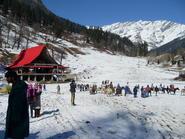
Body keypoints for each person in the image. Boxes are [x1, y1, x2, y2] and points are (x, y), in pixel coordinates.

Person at [4, 70, 29, 139]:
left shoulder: (18, 88)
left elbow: (18, 105)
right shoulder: (17, 85)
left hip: (17, 120)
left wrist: (14, 120)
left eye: (7, 78)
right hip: (17, 118)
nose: (6, 79)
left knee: (17, 136)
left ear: (12, 77)